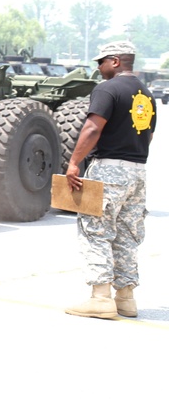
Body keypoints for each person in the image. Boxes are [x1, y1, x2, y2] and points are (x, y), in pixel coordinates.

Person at [64, 40, 156, 320]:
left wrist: (74, 163)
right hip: (138, 170)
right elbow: (148, 134)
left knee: (96, 229)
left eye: (101, 61)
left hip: (110, 169)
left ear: (115, 61)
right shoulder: (146, 93)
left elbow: (93, 127)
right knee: (128, 234)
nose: (99, 67)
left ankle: (101, 298)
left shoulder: (108, 89)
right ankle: (126, 298)